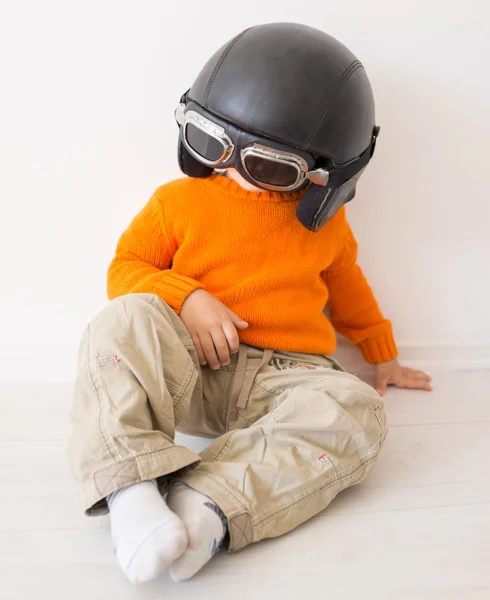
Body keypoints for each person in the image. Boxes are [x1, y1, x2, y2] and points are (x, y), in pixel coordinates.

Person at [68, 22, 432, 584]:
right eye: (213, 144)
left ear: (323, 176)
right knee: (122, 320)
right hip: (194, 368)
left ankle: (207, 506)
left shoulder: (326, 228)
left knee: (357, 408)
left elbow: (350, 289)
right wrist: (187, 298)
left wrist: (381, 353)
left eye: (267, 166)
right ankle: (131, 490)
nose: (234, 170)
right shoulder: (177, 203)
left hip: (290, 379)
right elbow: (124, 271)